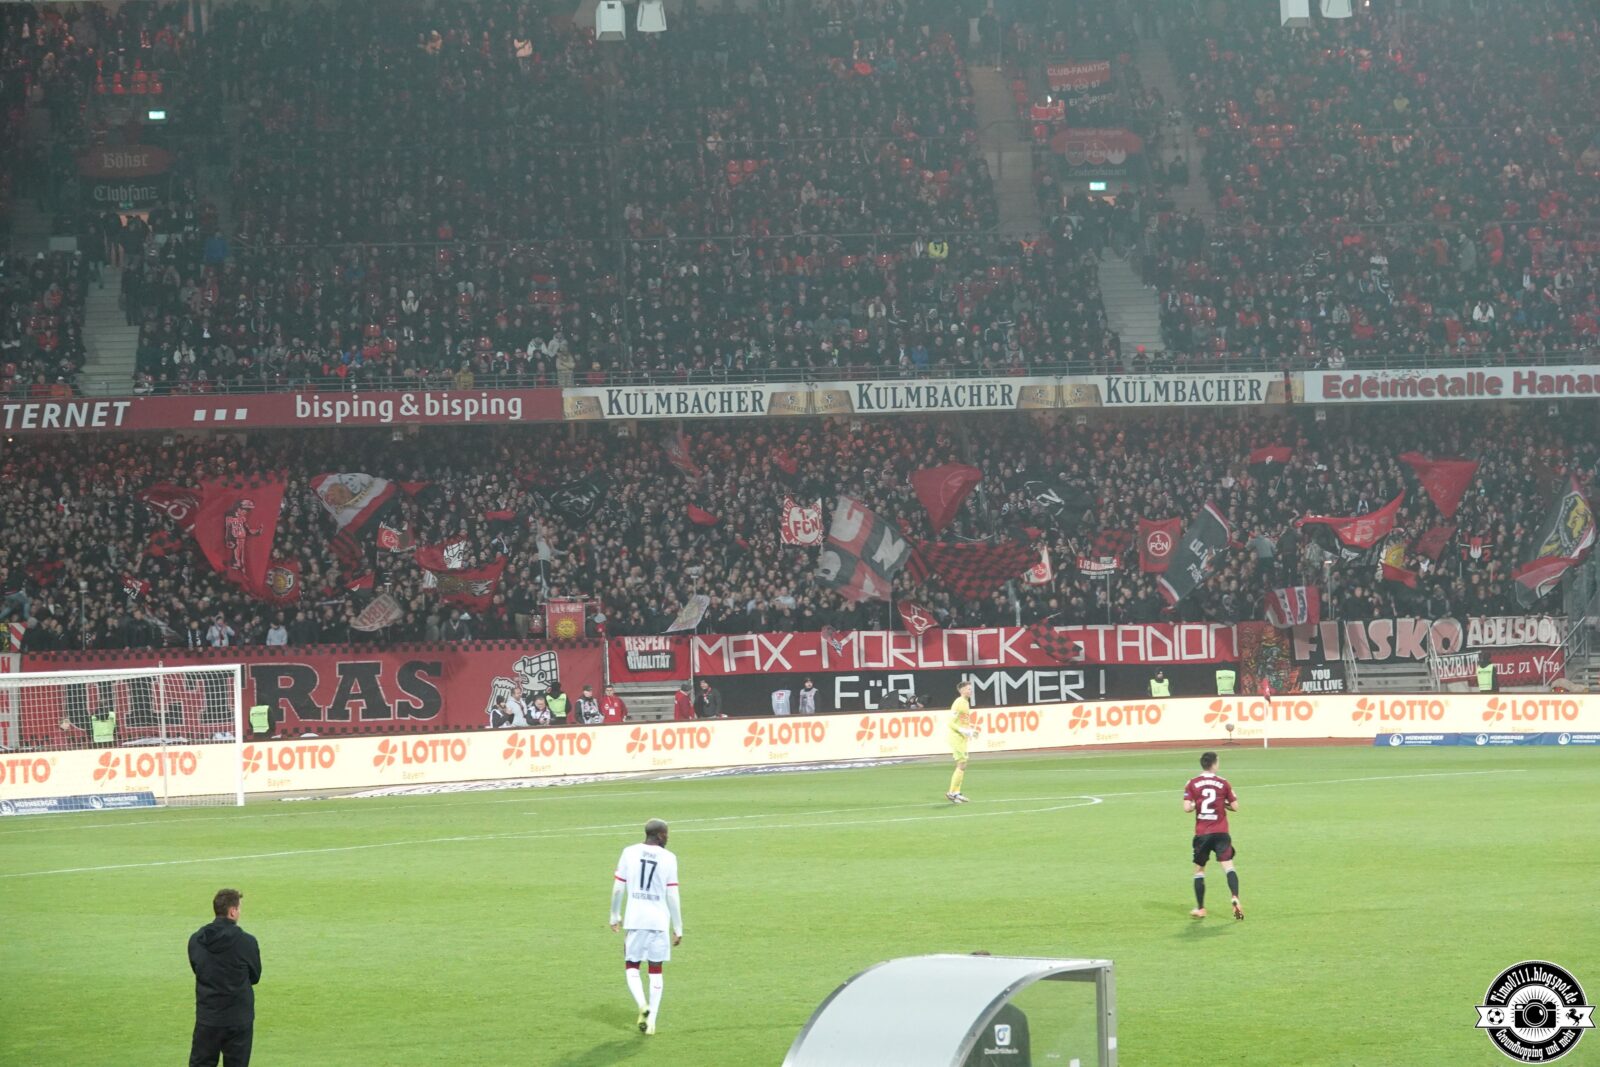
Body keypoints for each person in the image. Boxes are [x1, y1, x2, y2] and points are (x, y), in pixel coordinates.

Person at [609, 818, 683, 1036]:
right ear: (660, 835)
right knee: (656, 970)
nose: (668, 837)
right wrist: (678, 927)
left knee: (632, 966)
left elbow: (617, 889)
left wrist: (615, 915)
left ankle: (643, 1004)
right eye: (667, 834)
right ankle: (652, 1021)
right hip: (659, 921)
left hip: (635, 919)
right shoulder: (669, 858)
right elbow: (672, 894)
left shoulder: (629, 852)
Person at [188, 887, 262, 1067]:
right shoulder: (247, 942)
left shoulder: (197, 940)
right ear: (232, 911)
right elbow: (255, 976)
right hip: (238, 1018)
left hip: (208, 1017)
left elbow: (198, 968)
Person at [1183, 752, 1243, 921]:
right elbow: (1235, 807)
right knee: (1229, 867)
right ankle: (1235, 897)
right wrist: (1222, 803)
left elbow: (1187, 808)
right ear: (1215, 764)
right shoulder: (1223, 783)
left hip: (1202, 833)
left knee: (1199, 870)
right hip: (1221, 832)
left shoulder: (1192, 783)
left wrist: (1197, 804)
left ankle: (1201, 908)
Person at [946, 680, 977, 804]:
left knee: (963, 765)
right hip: (956, 737)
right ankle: (951, 792)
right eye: (968, 689)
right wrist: (962, 730)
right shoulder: (958, 702)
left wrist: (970, 731)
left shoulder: (965, 703)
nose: (971, 691)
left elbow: (963, 721)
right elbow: (950, 722)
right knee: (961, 764)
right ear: (962, 690)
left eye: (971, 688)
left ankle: (956, 792)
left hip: (962, 738)